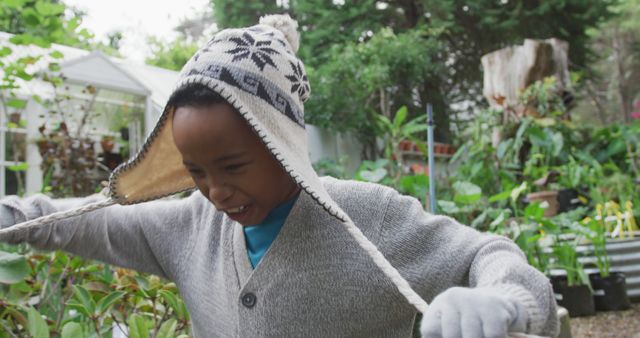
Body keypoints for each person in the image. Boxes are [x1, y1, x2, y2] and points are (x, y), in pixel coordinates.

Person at [0, 14, 558, 338]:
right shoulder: (187, 230)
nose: (215, 191)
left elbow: (492, 254)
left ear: (281, 144)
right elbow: (63, 223)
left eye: (233, 166)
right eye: (195, 172)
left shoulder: (370, 218)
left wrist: (503, 301)